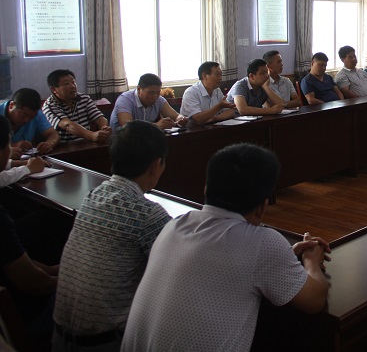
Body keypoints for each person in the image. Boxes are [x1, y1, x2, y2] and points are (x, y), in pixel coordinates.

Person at [121, 143, 330, 351]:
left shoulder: (175, 225)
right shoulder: (262, 242)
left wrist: (284, 257)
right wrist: (311, 261)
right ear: (262, 208)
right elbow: (314, 300)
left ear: (205, 188)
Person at [53, 121, 172, 351]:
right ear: (156, 165)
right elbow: (175, 273)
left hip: (59, 337)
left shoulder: (92, 196)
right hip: (106, 343)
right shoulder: (147, 214)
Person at [0, 114, 57, 344]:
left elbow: (11, 258)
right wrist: (73, 280)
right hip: (23, 317)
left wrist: (52, 269)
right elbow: (33, 283)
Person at [42, 69, 111, 143]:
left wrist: (104, 129)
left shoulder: (84, 98)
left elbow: (99, 118)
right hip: (66, 147)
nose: (72, 86)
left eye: (73, 82)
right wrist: (92, 135)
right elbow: (67, 125)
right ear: (54, 89)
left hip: (88, 144)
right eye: (66, 84)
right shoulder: (50, 106)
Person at [110, 73, 188, 130]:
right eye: (151, 93)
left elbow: (175, 115)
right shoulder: (125, 100)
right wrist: (156, 126)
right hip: (122, 142)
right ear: (139, 89)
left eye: (158, 92)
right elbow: (127, 127)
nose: (155, 97)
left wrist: (181, 119)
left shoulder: (159, 99)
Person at [0, 88, 60, 157]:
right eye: (24, 115)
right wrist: (9, 149)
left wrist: (49, 144)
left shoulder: (37, 115)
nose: (27, 120)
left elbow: (54, 134)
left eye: (32, 117)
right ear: (11, 105)